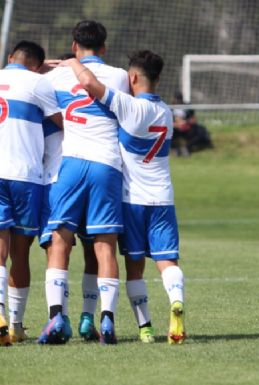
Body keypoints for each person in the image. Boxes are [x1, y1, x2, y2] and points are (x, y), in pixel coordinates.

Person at [62, 50, 187, 344]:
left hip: (132, 200)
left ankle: (145, 328)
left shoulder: (129, 106)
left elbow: (92, 85)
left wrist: (72, 62)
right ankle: (177, 302)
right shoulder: (166, 112)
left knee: (134, 267)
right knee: (167, 261)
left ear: (132, 78)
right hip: (163, 199)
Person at [39, 20, 130, 345]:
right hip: (107, 164)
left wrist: (45, 67)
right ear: (104, 47)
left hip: (71, 163)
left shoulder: (53, 78)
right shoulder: (120, 75)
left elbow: (33, 95)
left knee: (60, 241)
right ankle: (105, 320)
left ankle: (55, 318)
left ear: (73, 46)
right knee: (104, 246)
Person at [0, 41, 62, 346]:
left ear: (10, 58)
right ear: (37, 65)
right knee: (20, 253)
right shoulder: (38, 82)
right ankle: (15, 324)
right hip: (26, 177)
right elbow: (61, 120)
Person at [171, 91, 213, 156]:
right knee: (165, 132)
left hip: (187, 128)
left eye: (180, 99)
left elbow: (193, 119)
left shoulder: (188, 107)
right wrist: (176, 125)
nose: (178, 101)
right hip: (175, 129)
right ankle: (175, 149)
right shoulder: (170, 108)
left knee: (201, 131)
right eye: (177, 99)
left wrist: (186, 122)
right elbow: (166, 122)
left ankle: (186, 147)